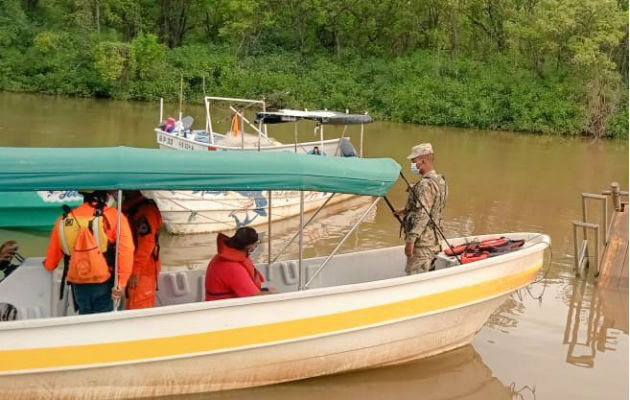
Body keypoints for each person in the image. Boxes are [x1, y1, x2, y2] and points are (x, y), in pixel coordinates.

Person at [43, 190, 134, 314]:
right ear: (106, 196)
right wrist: (121, 283)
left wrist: (46, 264)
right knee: (106, 324)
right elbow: (126, 251)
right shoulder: (115, 216)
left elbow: (51, 263)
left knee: (85, 318)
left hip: (78, 283)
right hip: (106, 282)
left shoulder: (65, 219)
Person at [396, 143, 448, 274]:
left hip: (423, 243)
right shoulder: (440, 180)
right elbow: (432, 207)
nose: (412, 165)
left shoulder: (425, 184)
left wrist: (410, 241)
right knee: (428, 273)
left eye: (414, 161)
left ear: (423, 161)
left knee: (414, 277)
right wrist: (404, 210)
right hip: (435, 240)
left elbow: (423, 213)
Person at [122, 190, 162, 310]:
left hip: (142, 270)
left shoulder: (145, 210)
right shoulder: (126, 208)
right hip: (127, 268)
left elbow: (147, 243)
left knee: (138, 308)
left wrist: (135, 270)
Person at [205, 227, 268, 300]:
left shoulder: (223, 257)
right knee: (273, 293)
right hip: (226, 309)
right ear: (250, 247)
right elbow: (253, 298)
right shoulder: (233, 267)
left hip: (228, 304)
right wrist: (273, 294)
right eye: (257, 243)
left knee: (269, 290)